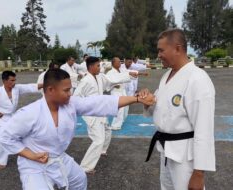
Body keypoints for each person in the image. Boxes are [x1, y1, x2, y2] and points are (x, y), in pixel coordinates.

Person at [0, 69, 156, 190]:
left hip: (59, 158)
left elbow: (99, 102)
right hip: (33, 165)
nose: (70, 93)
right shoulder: (29, 113)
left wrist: (136, 99)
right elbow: (6, 137)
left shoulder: (71, 104)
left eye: (70, 89)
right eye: (66, 90)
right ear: (50, 90)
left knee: (79, 179)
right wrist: (31, 155)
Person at [142, 28, 215, 190]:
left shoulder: (198, 79)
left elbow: (204, 130)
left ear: (177, 48)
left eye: (161, 50)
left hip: (186, 157)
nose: (158, 55)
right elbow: (161, 109)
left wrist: (199, 173)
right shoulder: (167, 75)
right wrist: (148, 103)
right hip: (166, 151)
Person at [74, 56, 137, 173]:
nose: (100, 68)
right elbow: (76, 98)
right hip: (91, 113)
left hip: (100, 111)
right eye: (98, 66)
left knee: (108, 131)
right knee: (98, 139)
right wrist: (84, 108)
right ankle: (85, 167)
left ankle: (102, 150)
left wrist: (128, 75)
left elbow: (111, 80)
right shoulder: (85, 81)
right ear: (91, 67)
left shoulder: (99, 77)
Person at [0, 71, 43, 169]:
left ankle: (28, 153)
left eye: (15, 80)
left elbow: (30, 87)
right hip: (1, 118)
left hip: (12, 117)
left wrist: (46, 84)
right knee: (4, 137)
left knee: (24, 133)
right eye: (11, 80)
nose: (14, 82)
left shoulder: (16, 88)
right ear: (4, 81)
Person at [106, 57, 137, 130]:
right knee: (120, 109)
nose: (120, 63)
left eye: (120, 61)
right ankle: (115, 125)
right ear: (113, 63)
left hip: (123, 91)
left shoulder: (121, 70)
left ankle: (121, 121)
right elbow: (107, 83)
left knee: (126, 107)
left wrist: (135, 75)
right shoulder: (110, 73)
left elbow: (127, 76)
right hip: (116, 92)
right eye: (118, 62)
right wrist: (113, 86)